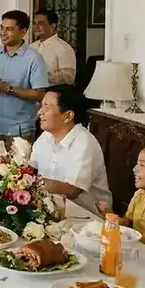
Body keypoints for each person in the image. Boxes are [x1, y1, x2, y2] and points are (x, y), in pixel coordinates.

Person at [29, 85, 111, 214]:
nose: (40, 112)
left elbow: (72, 191)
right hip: (51, 209)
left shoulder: (85, 143)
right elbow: (30, 169)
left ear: (67, 116)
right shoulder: (45, 136)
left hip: (86, 216)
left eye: (46, 107)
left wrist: (29, 182)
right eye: (41, 106)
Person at [0, 10, 49, 149]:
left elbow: (40, 94)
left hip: (19, 131)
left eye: (9, 29)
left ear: (23, 32)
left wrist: (7, 88)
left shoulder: (34, 58)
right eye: (2, 27)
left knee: (19, 164)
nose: (3, 33)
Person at [30, 10, 76, 85]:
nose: (36, 26)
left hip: (53, 90)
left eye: (40, 23)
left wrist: (42, 77)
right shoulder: (31, 46)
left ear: (52, 27)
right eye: (34, 23)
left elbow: (68, 77)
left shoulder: (64, 48)